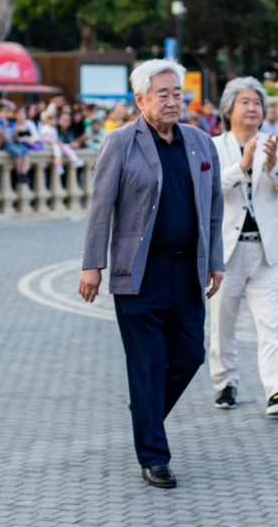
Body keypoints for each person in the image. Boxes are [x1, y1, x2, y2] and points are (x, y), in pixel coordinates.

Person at [78, 59, 224, 489]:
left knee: (190, 355)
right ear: (139, 99)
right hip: (140, 272)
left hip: (188, 270)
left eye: (178, 93)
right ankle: (154, 457)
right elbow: (100, 208)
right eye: (163, 93)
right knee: (148, 360)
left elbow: (213, 211)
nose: (174, 100)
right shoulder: (120, 143)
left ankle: (144, 408)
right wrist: (92, 266)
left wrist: (215, 261)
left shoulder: (200, 143)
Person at [205, 77, 278, 416]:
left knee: (271, 323)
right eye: (245, 102)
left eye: (257, 103)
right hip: (226, 253)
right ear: (228, 109)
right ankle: (225, 383)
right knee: (223, 323)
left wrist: (274, 163)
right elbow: (211, 188)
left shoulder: (274, 144)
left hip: (265, 251)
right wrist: (243, 165)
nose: (252, 108)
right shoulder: (214, 146)